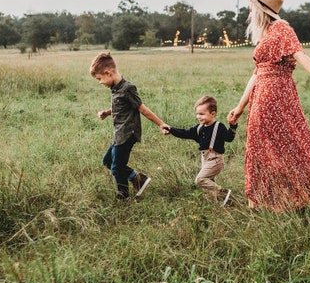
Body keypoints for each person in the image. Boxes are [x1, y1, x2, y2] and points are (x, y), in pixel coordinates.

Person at [226, 0, 310, 214]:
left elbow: (300, 53)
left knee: (292, 147)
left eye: (252, 7)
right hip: (262, 95)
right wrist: (240, 106)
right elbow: (257, 73)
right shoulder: (266, 34)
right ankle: (267, 202)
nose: (249, 11)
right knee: (260, 148)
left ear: (261, 10)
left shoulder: (282, 28)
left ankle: (302, 200)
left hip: (276, 95)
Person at [90, 51, 167, 201]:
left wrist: (161, 124)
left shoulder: (128, 88)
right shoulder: (116, 88)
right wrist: (107, 112)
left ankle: (123, 196)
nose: (100, 82)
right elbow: (122, 107)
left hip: (127, 133)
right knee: (107, 161)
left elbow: (142, 108)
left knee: (116, 167)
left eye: (99, 79)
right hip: (119, 133)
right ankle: (138, 179)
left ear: (108, 73)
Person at [162, 95, 237, 205]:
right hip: (205, 158)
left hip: (215, 159)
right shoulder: (199, 128)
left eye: (202, 114)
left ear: (213, 114)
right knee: (209, 182)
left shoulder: (218, 127)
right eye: (197, 114)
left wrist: (233, 126)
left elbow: (229, 138)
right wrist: (171, 129)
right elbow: (185, 133)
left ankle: (223, 192)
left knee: (200, 179)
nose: (198, 116)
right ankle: (214, 205)